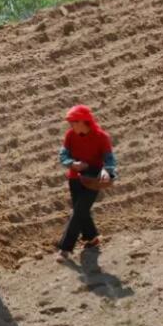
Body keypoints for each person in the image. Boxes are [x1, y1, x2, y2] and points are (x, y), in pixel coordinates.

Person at [57, 105, 117, 262]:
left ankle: (65, 248)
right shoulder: (70, 135)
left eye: (73, 122)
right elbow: (63, 155)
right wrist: (72, 163)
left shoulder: (101, 137)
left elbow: (109, 159)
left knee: (78, 212)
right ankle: (92, 238)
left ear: (84, 121)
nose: (71, 126)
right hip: (75, 178)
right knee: (81, 210)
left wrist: (107, 171)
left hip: (93, 180)